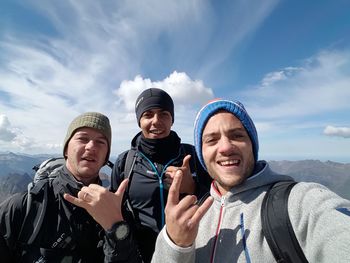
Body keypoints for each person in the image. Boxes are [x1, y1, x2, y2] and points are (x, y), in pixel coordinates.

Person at [151, 99, 350, 263]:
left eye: (237, 135)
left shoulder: (299, 204)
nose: (225, 147)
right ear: (201, 154)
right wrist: (175, 245)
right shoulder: (196, 214)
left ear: (252, 144)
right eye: (211, 140)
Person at [0, 112, 142, 262]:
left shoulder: (116, 210)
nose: (91, 146)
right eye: (83, 138)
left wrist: (116, 228)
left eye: (101, 142)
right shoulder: (23, 208)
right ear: (66, 149)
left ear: (106, 157)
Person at [111, 88, 211, 262]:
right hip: (140, 256)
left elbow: (221, 202)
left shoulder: (194, 156)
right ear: (139, 121)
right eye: (148, 114)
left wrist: (192, 188)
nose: (156, 121)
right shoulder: (125, 162)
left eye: (164, 114)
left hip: (190, 254)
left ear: (172, 119)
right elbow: (114, 211)